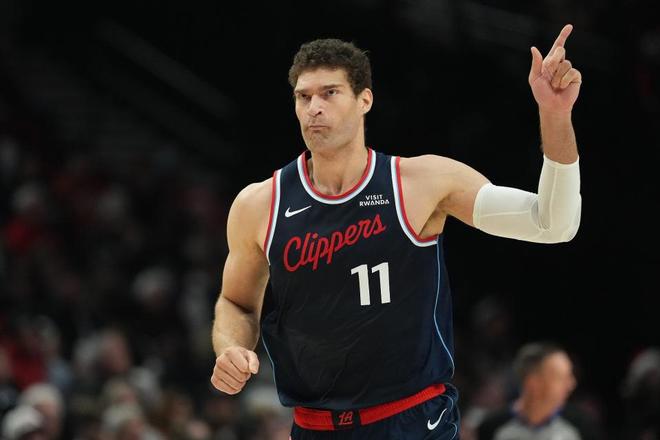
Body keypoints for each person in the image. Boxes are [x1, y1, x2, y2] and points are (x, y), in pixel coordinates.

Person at [210, 24, 583, 440]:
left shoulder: (420, 182)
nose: (314, 107)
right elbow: (236, 303)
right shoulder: (260, 204)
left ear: (364, 100)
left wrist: (555, 115)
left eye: (329, 93)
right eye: (304, 96)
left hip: (414, 421)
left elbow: (553, 223)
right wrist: (231, 347)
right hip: (315, 426)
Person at [477, 342, 599, 440]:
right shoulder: (491, 427)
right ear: (533, 382)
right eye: (561, 378)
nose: (571, 384)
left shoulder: (582, 426)